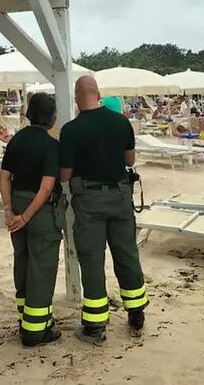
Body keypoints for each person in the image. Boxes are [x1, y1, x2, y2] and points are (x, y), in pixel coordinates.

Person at [60, 76, 149, 344]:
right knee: (127, 254)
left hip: (88, 201)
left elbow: (65, 175)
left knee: (92, 260)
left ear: (77, 97)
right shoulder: (121, 121)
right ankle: (136, 314)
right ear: (98, 95)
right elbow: (130, 160)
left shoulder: (71, 130)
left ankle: (95, 327)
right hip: (120, 196)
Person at [0, 93, 64, 347]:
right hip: (40, 212)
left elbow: (5, 177)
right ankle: (36, 331)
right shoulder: (51, 145)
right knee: (42, 267)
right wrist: (26, 216)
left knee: (23, 261)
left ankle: (24, 319)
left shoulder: (16, 140)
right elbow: (47, 186)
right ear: (51, 117)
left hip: (15, 203)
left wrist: (9, 210)